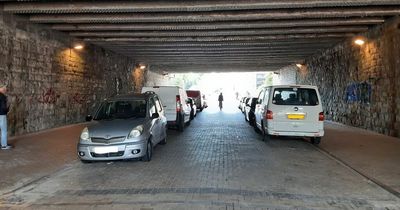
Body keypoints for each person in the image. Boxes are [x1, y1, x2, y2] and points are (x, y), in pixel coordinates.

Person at [0, 83, 11, 150]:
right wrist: (7, 110)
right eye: (4, 89)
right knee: (3, 130)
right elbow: (4, 107)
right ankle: (4, 145)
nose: (5, 90)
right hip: (2, 114)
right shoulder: (2, 96)